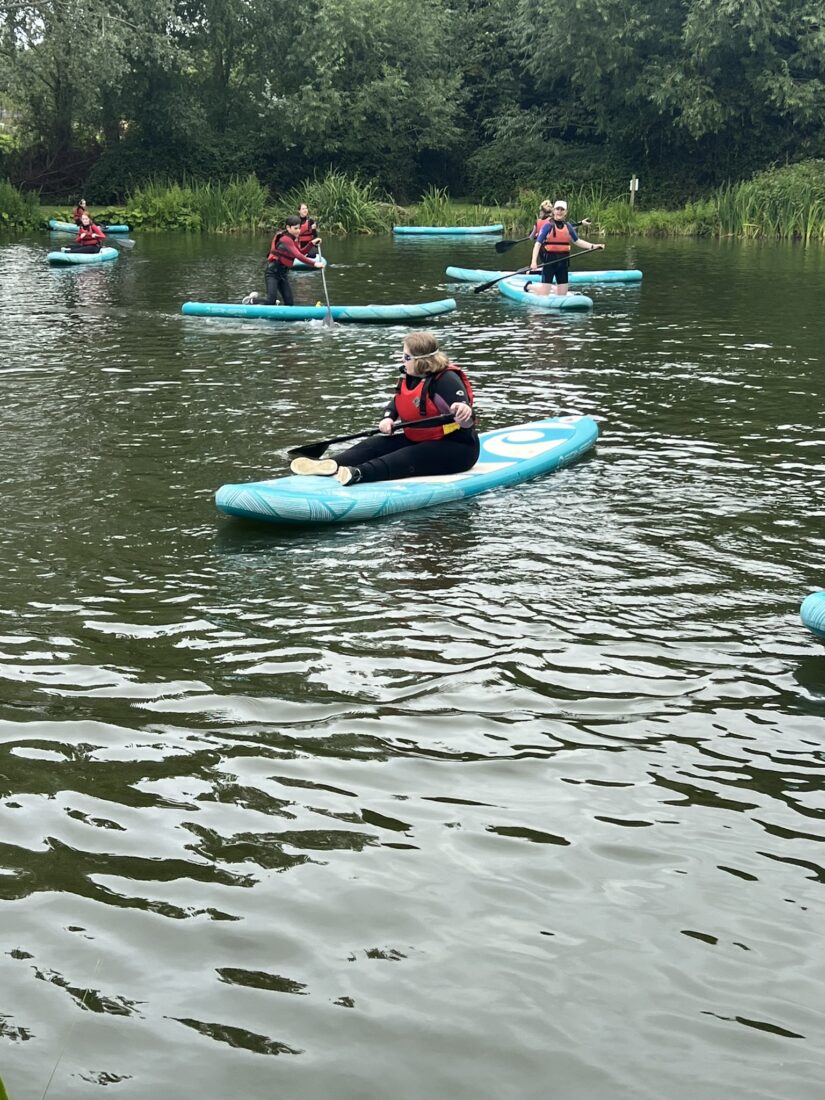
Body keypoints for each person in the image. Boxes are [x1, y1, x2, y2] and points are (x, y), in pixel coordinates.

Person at [290, 331, 478, 486]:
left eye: (406, 357)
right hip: (420, 439)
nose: (402, 361)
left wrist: (463, 412)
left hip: (458, 448)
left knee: (406, 456)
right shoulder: (410, 377)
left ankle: (358, 474)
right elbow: (398, 401)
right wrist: (388, 418)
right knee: (373, 445)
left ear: (421, 361)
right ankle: (330, 464)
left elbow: (467, 417)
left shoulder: (446, 380)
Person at [243, 215, 324, 306]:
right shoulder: (285, 239)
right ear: (288, 228)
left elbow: (301, 251)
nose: (298, 231)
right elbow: (298, 255)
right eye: (295, 228)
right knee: (270, 301)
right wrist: (314, 264)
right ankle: (251, 301)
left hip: (283, 275)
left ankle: (277, 307)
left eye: (299, 228)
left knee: (289, 303)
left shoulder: (294, 239)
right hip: (272, 273)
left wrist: (311, 243)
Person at [527, 200, 604, 296]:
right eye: (557, 209)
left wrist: (593, 246)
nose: (559, 211)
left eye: (562, 209)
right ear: (554, 211)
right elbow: (537, 244)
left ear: (566, 212)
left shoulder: (568, 227)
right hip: (549, 262)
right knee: (544, 293)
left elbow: (577, 241)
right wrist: (533, 262)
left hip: (563, 263)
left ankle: (553, 288)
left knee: (562, 294)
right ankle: (529, 286)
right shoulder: (548, 226)